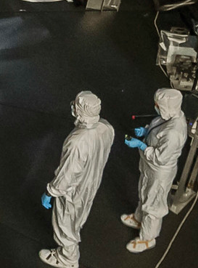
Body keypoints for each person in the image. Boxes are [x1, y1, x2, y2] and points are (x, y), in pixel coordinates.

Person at [39, 90, 116, 268]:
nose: (73, 107)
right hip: (92, 181)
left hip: (73, 189)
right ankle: (73, 237)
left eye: (76, 105)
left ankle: (68, 258)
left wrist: (50, 192)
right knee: (78, 215)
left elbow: (67, 173)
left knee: (65, 222)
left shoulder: (77, 141)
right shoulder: (106, 127)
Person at [121, 88, 189, 253]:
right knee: (144, 192)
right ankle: (139, 218)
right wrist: (145, 132)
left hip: (159, 172)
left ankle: (147, 238)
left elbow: (160, 157)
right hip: (150, 168)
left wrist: (142, 145)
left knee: (153, 204)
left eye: (158, 105)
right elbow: (158, 129)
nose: (155, 107)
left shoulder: (174, 132)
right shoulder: (170, 115)